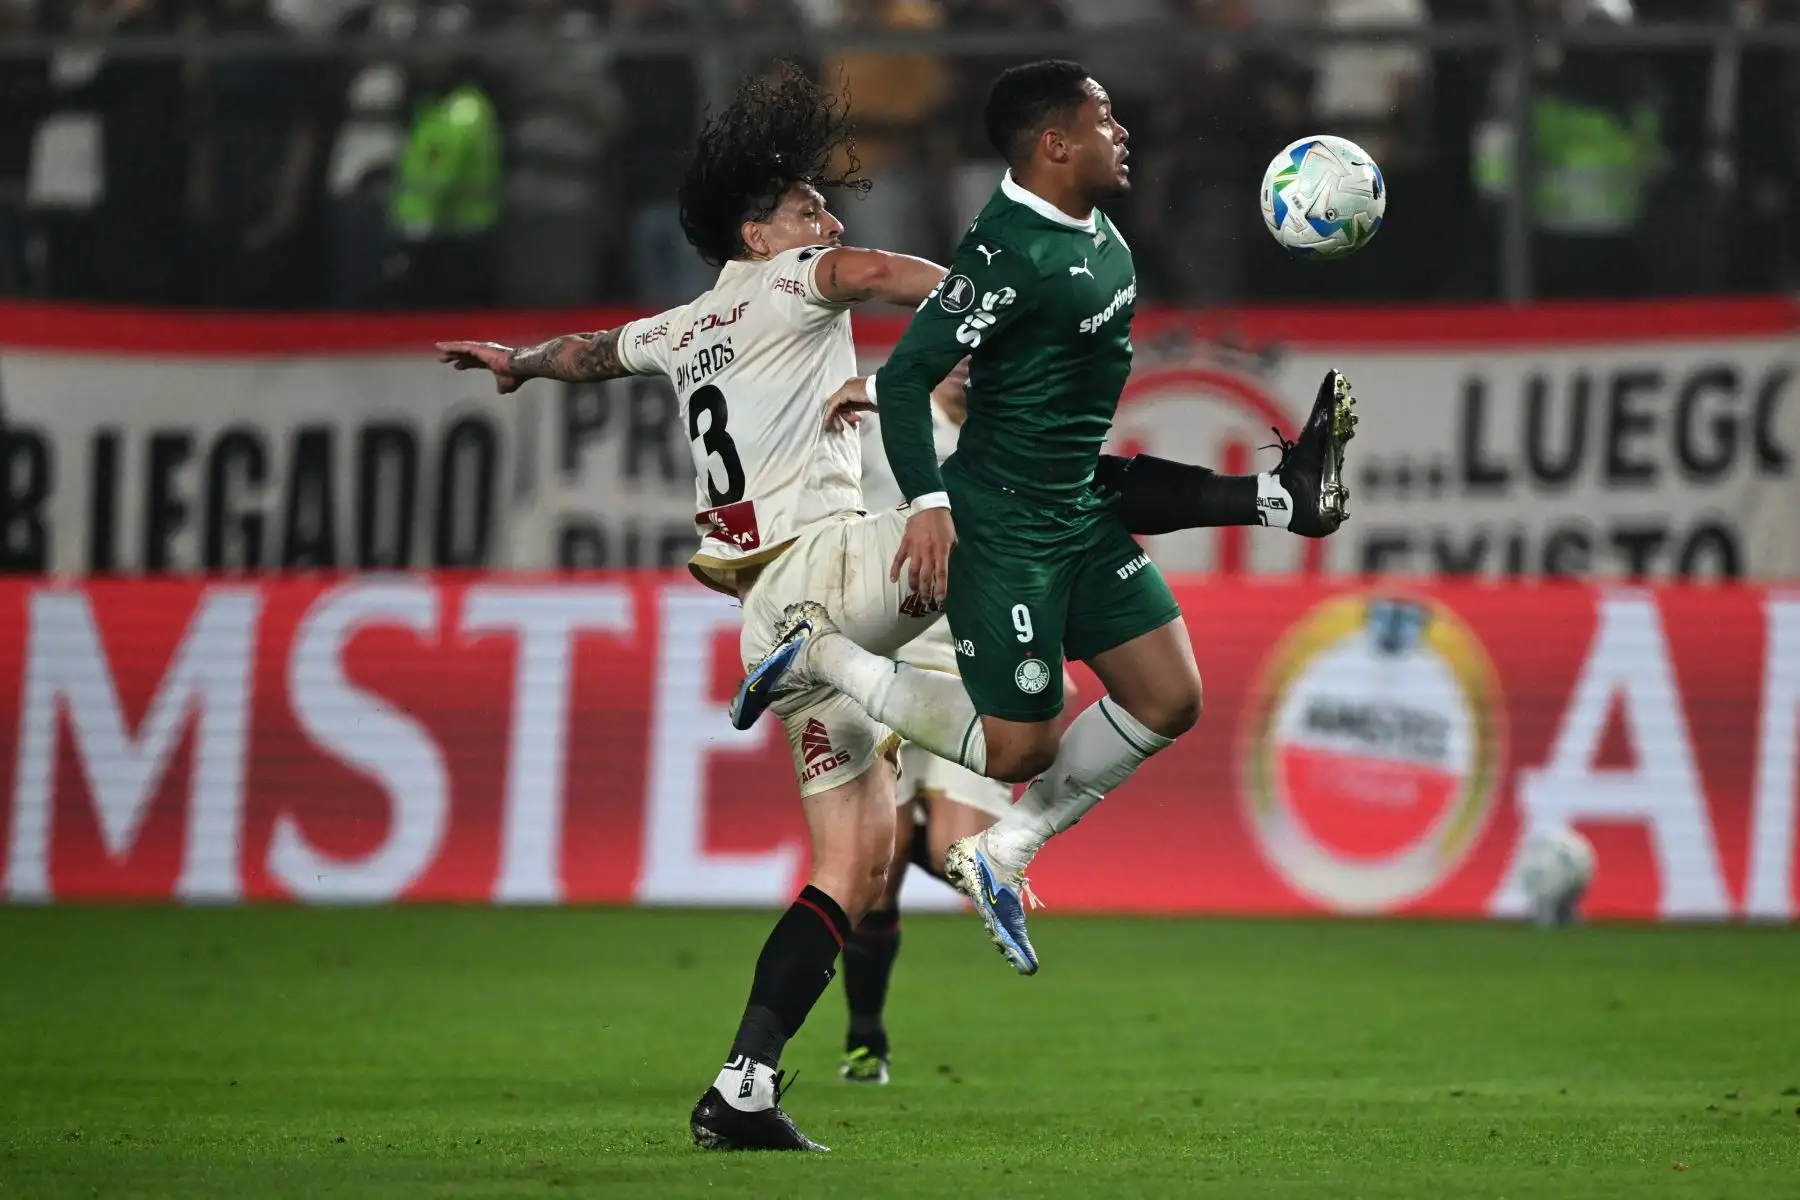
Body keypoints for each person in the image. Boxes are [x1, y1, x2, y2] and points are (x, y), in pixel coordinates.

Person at [438, 61, 1351, 1151]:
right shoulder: (793, 280)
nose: (822, 217)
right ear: (759, 236)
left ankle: (742, 1084)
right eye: (801, 208)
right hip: (832, 579)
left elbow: (592, 353)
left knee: (856, 869)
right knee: (1025, 489)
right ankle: (1250, 505)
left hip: (761, 605)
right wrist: (977, 301)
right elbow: (877, 271)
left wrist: (519, 365)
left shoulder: (681, 328)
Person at [731, 60, 1357, 980]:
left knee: (1169, 696)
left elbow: (1062, 431)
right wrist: (931, 504)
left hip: (1073, 511)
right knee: (1026, 743)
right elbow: (909, 378)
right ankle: (820, 653)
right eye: (1105, 119)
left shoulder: (1104, 237)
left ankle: (1003, 851)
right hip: (1006, 535)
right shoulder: (1008, 252)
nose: (1124, 132)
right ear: (1056, 144)